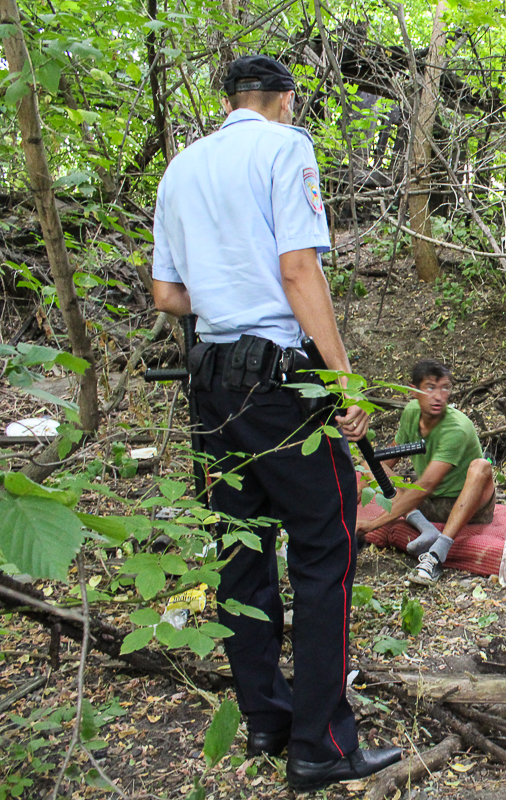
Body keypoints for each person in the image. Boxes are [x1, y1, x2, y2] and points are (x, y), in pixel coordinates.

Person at [151, 54, 404, 792]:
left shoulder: (181, 168)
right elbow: (300, 270)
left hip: (210, 384)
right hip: (281, 386)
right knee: (325, 552)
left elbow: (169, 294)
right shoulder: (285, 147)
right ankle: (321, 745)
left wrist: (225, 293)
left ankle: (267, 718)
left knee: (242, 553)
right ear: (284, 101)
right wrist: (341, 378)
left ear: (229, 100)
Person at [355, 358, 495, 587]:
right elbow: (388, 457)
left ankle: (436, 555)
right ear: (414, 391)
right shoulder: (411, 413)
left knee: (481, 466)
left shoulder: (456, 428)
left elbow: (426, 484)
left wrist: (372, 524)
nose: (439, 396)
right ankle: (426, 530)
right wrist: (361, 485)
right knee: (370, 463)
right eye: (430, 387)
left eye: (445, 388)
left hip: (468, 505)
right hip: (429, 504)